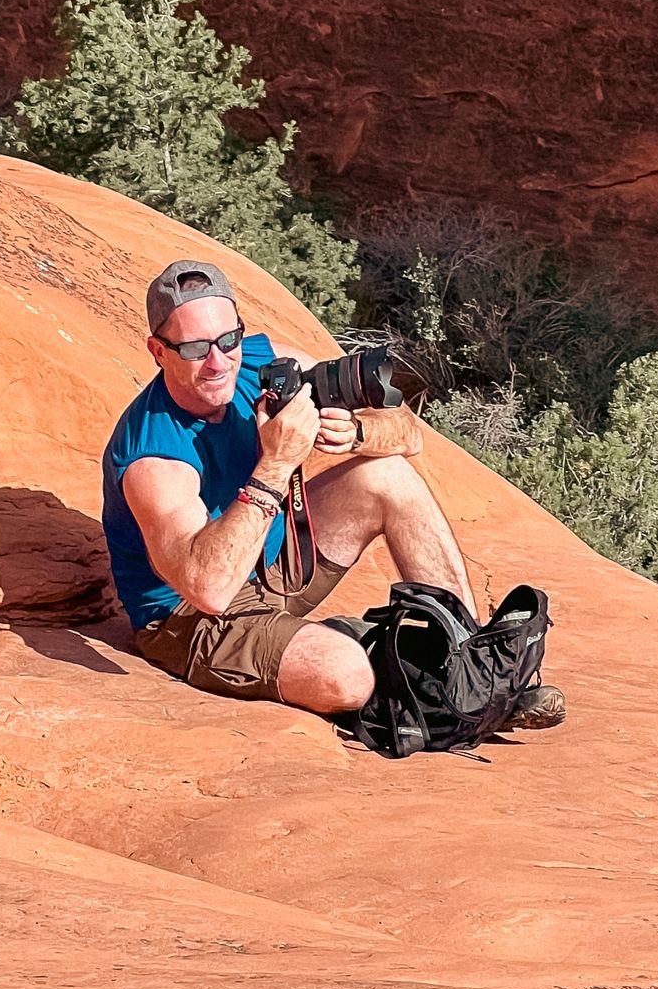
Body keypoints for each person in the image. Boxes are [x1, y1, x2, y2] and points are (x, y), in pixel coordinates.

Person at [102, 257, 565, 726]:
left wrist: (359, 434)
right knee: (346, 676)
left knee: (386, 475)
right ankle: (398, 671)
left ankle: (472, 671)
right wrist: (277, 463)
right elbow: (210, 589)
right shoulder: (153, 457)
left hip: (271, 562)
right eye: (195, 349)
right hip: (192, 618)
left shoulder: (262, 363)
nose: (219, 362)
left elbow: (410, 433)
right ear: (158, 351)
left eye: (228, 340)